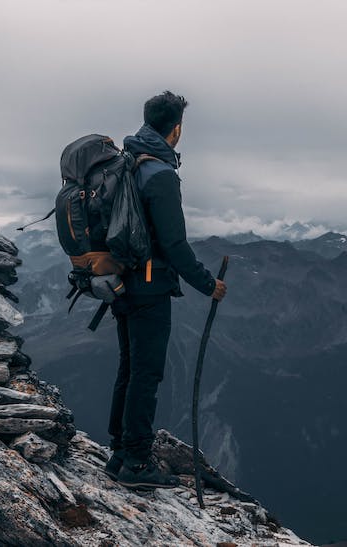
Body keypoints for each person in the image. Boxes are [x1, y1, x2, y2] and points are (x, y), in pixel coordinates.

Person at [104, 90, 228, 488]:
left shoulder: (126, 163)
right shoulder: (160, 174)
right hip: (149, 288)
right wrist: (209, 285)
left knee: (130, 367)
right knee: (147, 373)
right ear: (176, 130)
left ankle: (120, 451)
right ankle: (137, 463)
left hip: (119, 282)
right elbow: (174, 245)